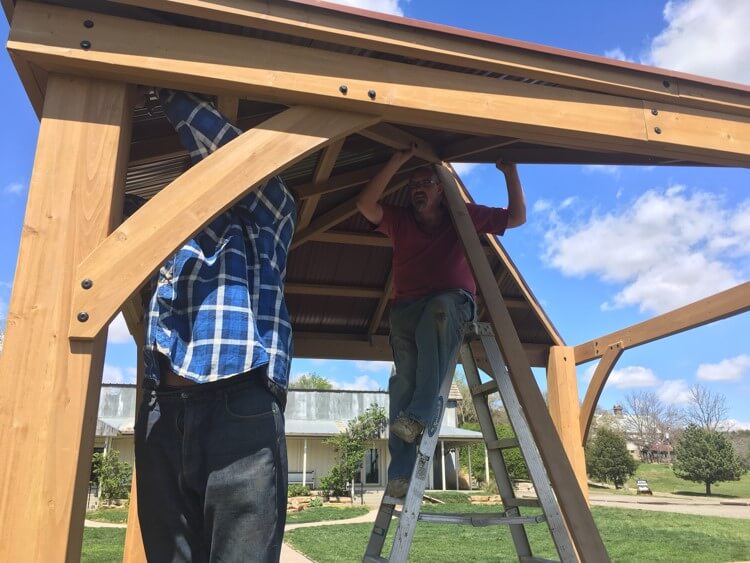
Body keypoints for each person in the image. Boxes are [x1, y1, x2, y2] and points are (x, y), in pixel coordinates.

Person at [133, 89, 295, 562]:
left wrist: (164, 88)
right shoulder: (164, 235)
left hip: (240, 406)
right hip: (162, 408)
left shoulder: (271, 211)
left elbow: (234, 153)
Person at [356, 149, 526, 497]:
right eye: (413, 184)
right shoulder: (400, 219)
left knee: (439, 309)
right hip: (406, 307)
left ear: (440, 189)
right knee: (402, 380)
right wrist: (394, 161)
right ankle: (401, 474)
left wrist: (509, 170)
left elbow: (516, 218)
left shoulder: (460, 215)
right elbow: (365, 204)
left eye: (426, 183)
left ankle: (420, 412)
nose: (419, 188)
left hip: (453, 303)